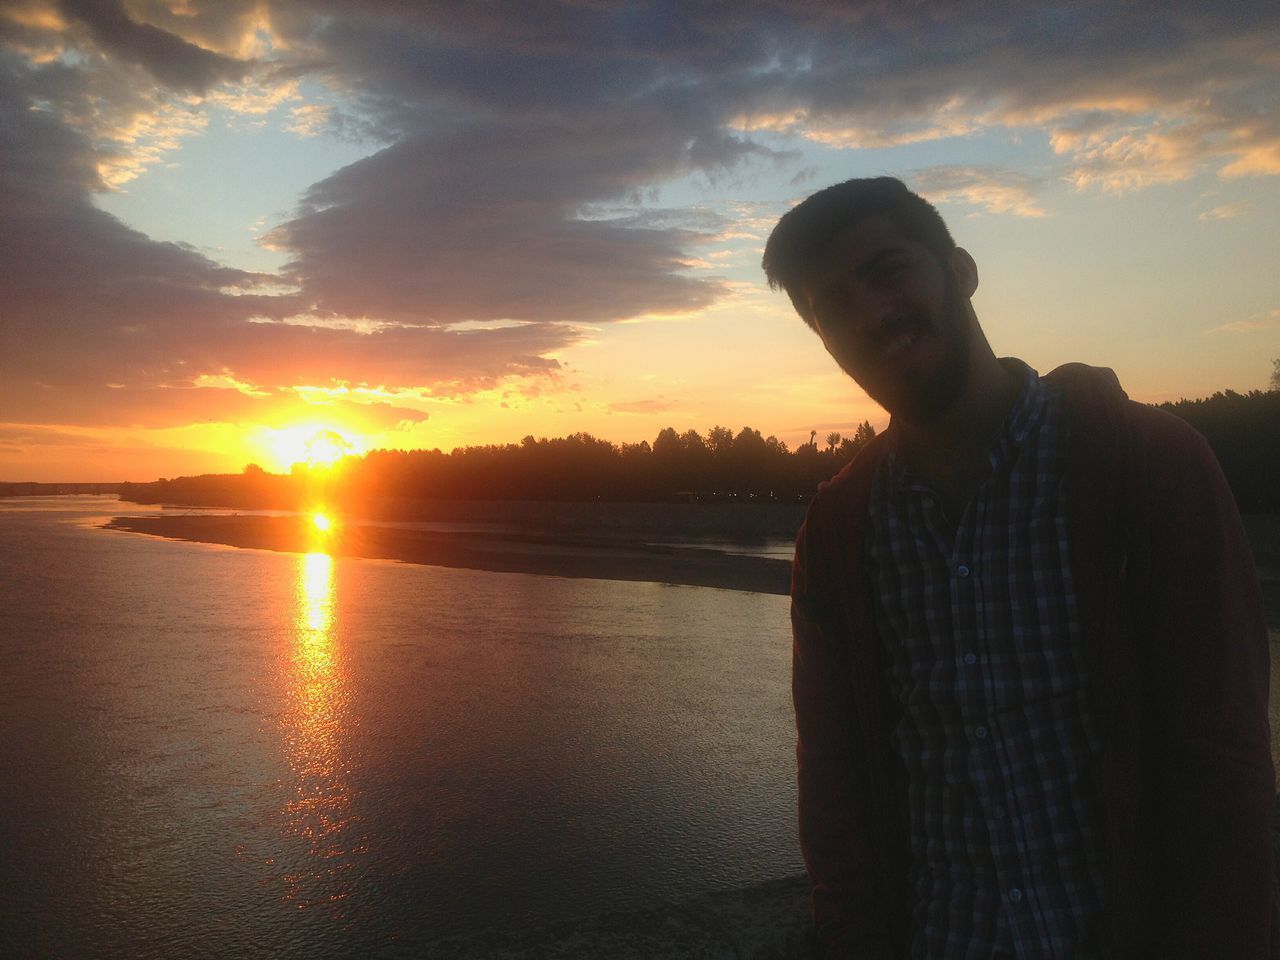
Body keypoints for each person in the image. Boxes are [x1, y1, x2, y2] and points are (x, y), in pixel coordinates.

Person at [761, 177, 1275, 959]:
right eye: (833, 307)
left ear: (960, 269)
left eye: (888, 271)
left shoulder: (1150, 466)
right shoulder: (838, 533)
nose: (870, 314)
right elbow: (836, 796)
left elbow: (1224, 765)